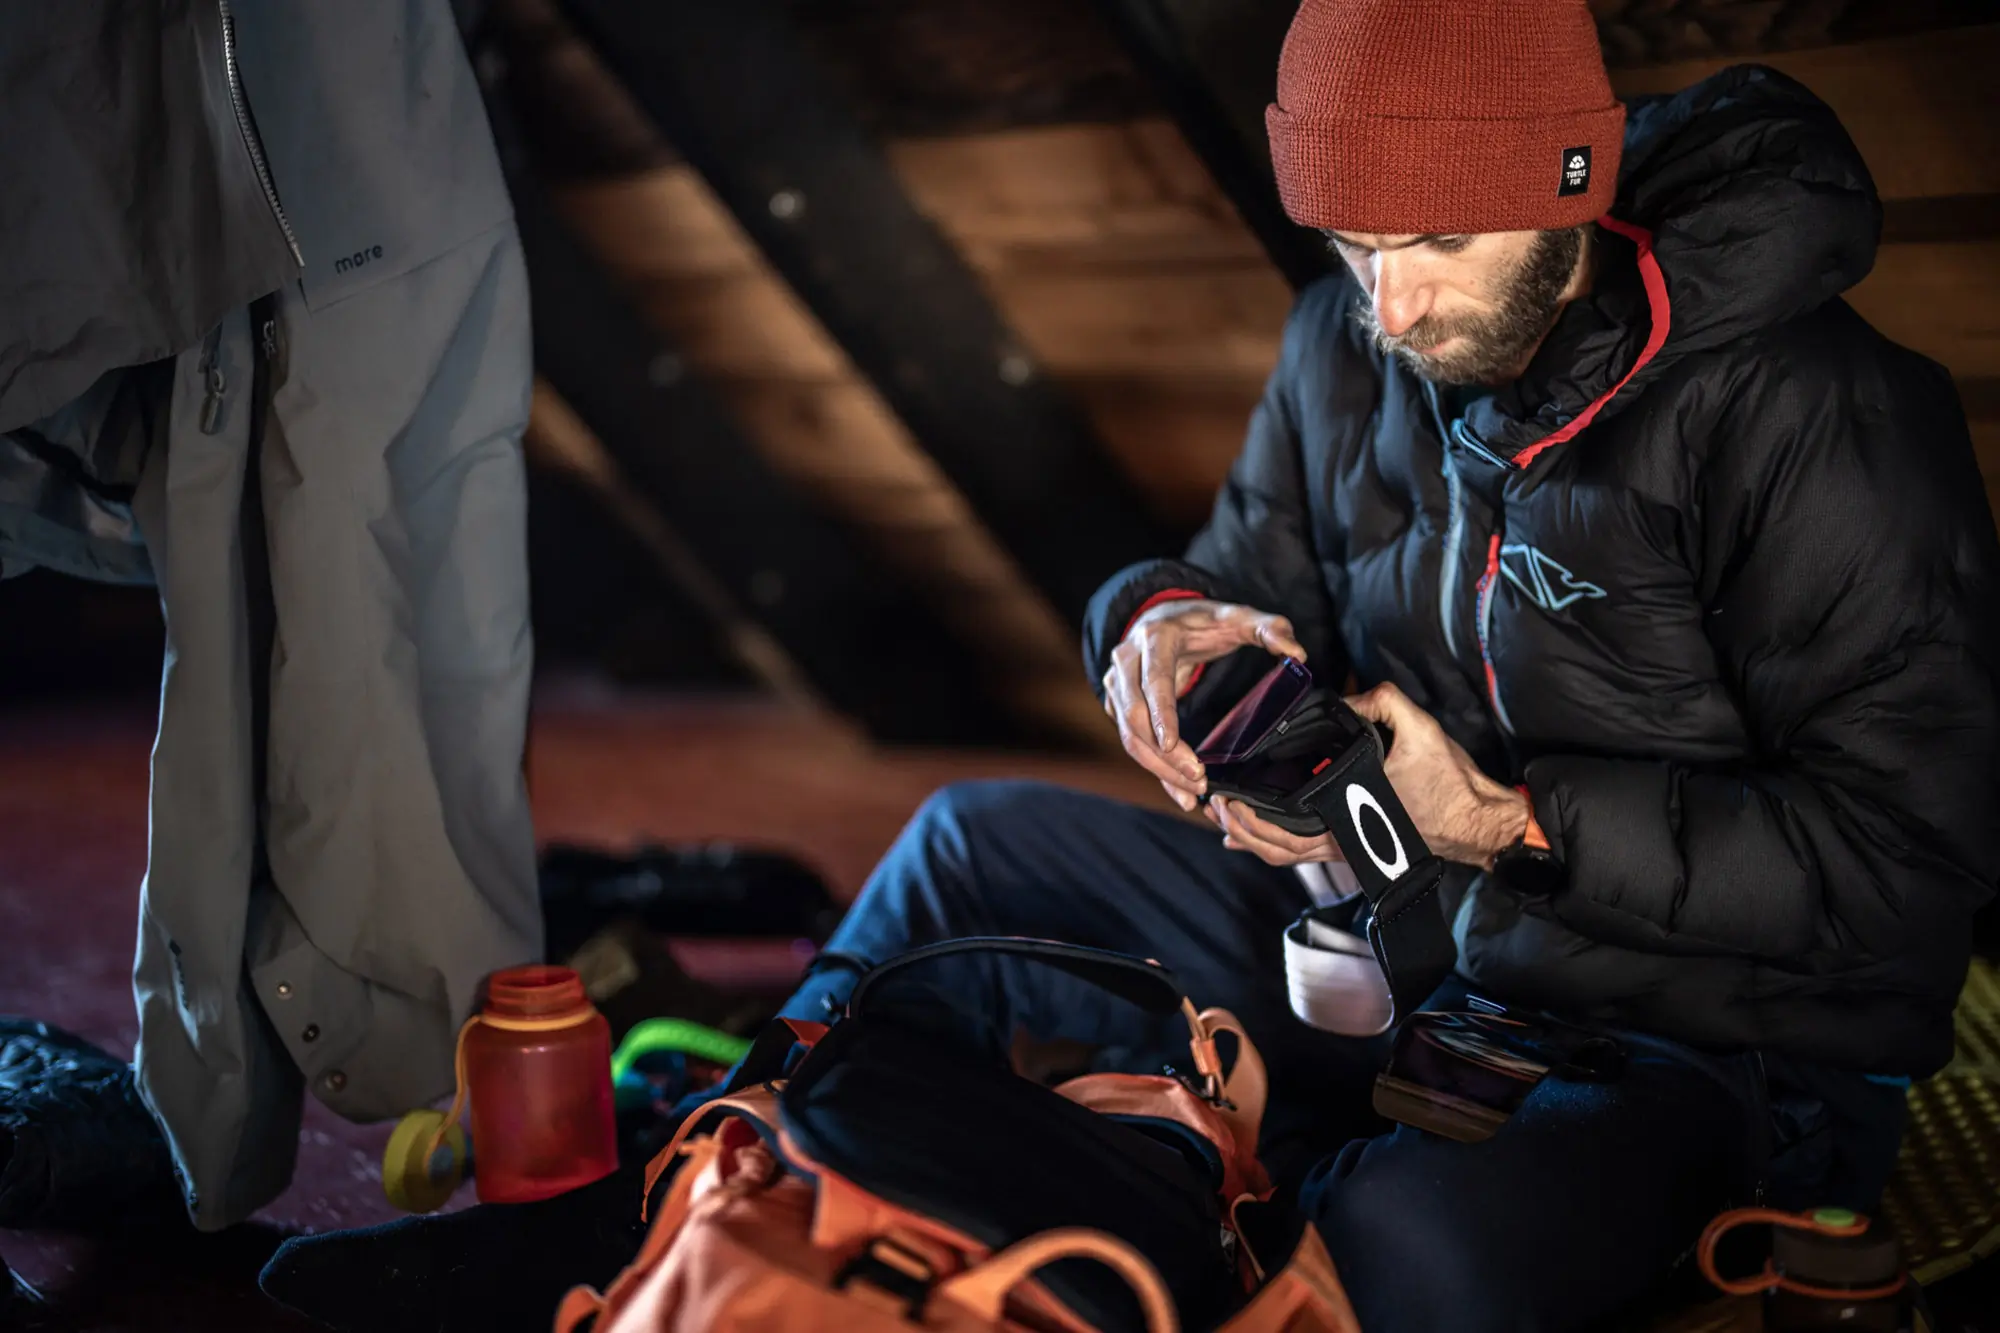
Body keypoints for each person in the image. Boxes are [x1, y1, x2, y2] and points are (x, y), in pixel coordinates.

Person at [767, 1, 2000, 1328]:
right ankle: (732, 1192)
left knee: (1417, 1252)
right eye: (1353, 245)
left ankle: (1216, 1195)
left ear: (1568, 187)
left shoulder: (1820, 413)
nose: (1393, 306)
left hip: (1706, 1046)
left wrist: (1502, 823)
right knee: (965, 851)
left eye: (1440, 242)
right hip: (1382, 939)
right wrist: (1155, 628)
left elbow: (1910, 867)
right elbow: (1236, 576)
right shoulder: (1339, 345)